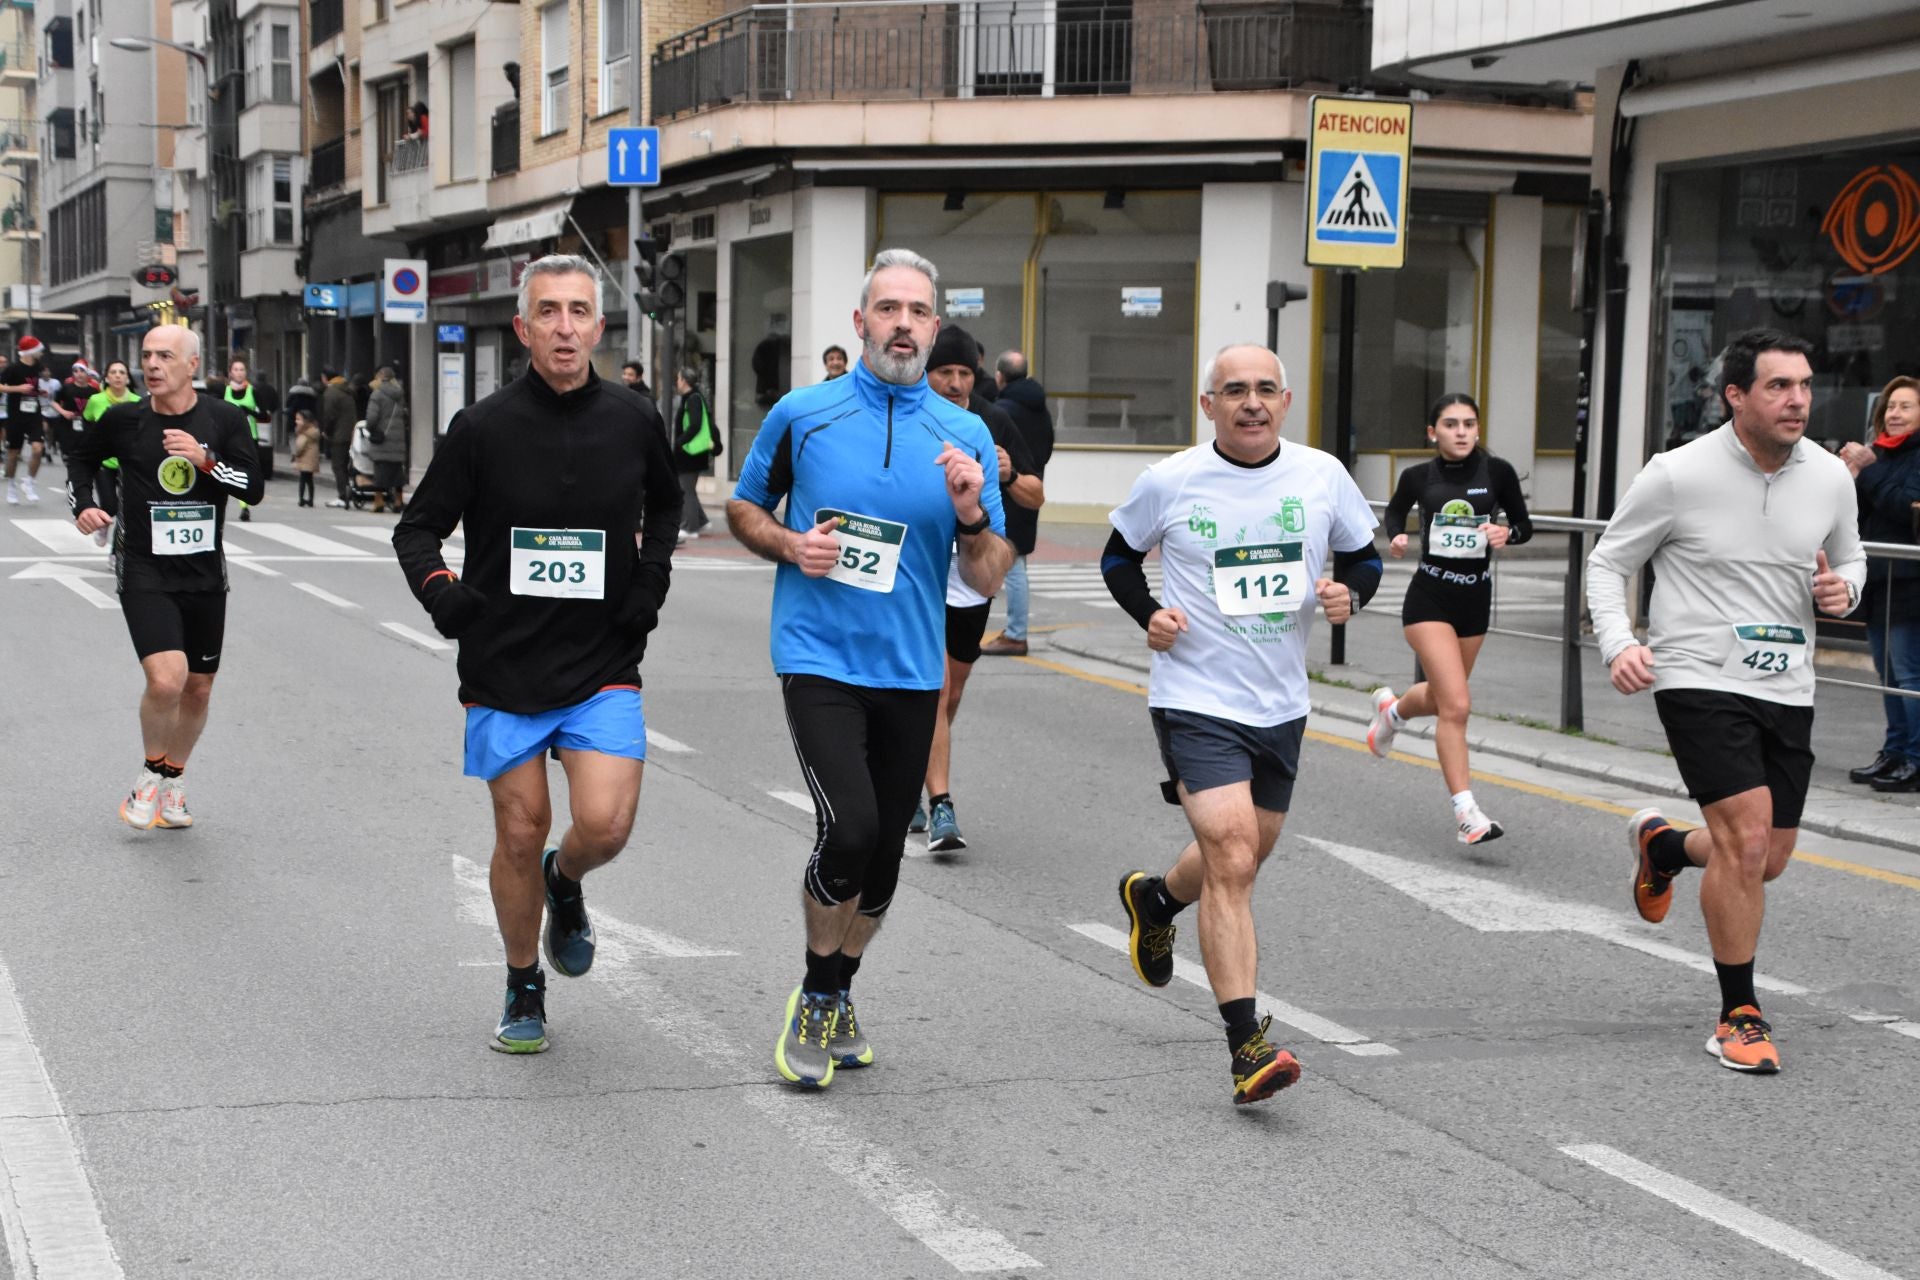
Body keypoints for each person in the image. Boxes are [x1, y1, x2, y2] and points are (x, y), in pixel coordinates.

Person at [727, 248, 1011, 1089]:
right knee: (847, 828)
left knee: (885, 856)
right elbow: (743, 508)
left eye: (917, 311)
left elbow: (990, 573)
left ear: (933, 326)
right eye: (886, 309)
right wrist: (789, 543)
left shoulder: (965, 433)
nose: (901, 324)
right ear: (860, 324)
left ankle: (840, 986)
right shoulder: (802, 414)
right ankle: (817, 993)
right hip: (818, 656)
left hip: (912, 669)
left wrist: (969, 515)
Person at [394, 253, 682, 1055]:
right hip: (504, 664)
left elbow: (668, 506)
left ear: (599, 325)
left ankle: (569, 880)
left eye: (579, 311)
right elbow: (416, 529)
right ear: (523, 328)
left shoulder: (632, 418)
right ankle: (524, 980)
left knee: (606, 824)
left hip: (602, 661)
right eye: (548, 312)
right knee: (520, 831)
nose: (565, 327)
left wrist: (649, 582)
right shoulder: (481, 429)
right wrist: (442, 592)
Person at [1108, 343, 1381, 1105]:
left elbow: (1364, 559)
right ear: (1209, 406)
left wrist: (1349, 596)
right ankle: (1245, 1046)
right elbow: (1116, 559)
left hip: (1280, 703)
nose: (1251, 402)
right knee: (1230, 855)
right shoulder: (1171, 480)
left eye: (1265, 389)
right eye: (1234, 390)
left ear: (1285, 401)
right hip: (1195, 696)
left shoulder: (1322, 475)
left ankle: (1157, 900)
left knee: (1242, 855)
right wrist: (1149, 615)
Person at [1589, 328, 1864, 1074]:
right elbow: (1609, 562)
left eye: (1805, 385)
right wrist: (1620, 642)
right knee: (1745, 841)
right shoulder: (1678, 474)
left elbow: (1850, 556)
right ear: (1735, 395)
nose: (1798, 399)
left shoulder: (1831, 477)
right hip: (1699, 676)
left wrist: (1846, 588)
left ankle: (1666, 847)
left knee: (1766, 857)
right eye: (1779, 386)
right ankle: (1738, 1014)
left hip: (1789, 684)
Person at [64, 325, 265, 830]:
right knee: (167, 678)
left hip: (203, 574)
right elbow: (81, 460)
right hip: (143, 567)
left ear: (192, 364)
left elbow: (253, 487)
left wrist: (206, 461)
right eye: (147, 356)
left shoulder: (224, 418)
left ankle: (174, 779)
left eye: (164, 356)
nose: (151, 365)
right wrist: (84, 505)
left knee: (198, 689)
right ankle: (150, 773)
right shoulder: (122, 419)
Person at [1366, 393, 1533, 843]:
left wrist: (1506, 532)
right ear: (1432, 432)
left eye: (1469, 424)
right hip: (1429, 601)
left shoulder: (1496, 472)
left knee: (1443, 699)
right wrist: (1397, 534)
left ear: (1478, 430)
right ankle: (1467, 814)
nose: (1461, 432)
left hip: (1474, 602)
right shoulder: (1419, 475)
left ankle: (1392, 712)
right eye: (1451, 424)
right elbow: (1396, 509)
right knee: (1457, 705)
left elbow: (1523, 524)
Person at [910, 324, 1042, 849]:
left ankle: (915, 767)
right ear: (928, 373)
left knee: (949, 695)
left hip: (973, 578)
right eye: (946, 372)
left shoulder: (993, 422)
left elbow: (1035, 494)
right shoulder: (910, 418)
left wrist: (1008, 476)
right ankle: (940, 804)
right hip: (920, 576)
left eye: (965, 373)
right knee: (936, 690)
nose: (957, 382)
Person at [1839, 376, 1920, 791]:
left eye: (1906, 406)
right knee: (1887, 673)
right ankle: (1894, 752)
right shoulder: (1881, 456)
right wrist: (1849, 476)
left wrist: (1867, 472)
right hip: (1879, 578)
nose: (1895, 413)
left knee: (1909, 674)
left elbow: (1906, 506)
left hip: (1910, 582)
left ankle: (1915, 759)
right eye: (1891, 406)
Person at [981, 350, 1055, 657]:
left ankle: (1016, 634)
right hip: (1030, 486)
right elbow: (1048, 446)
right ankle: (1015, 632)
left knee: (1012, 565)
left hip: (1008, 489)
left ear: (999, 376)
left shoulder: (1003, 410)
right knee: (1017, 561)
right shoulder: (1041, 409)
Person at [80, 359, 137, 543]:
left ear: (128, 379)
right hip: (105, 462)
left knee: (127, 510)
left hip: (128, 463)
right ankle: (103, 525)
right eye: (113, 372)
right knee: (110, 505)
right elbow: (87, 420)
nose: (118, 376)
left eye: (122, 372)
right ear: (107, 378)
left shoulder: (138, 402)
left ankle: (116, 553)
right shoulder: (96, 400)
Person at [223, 357, 277, 520]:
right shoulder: (224, 392)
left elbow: (264, 414)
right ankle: (234, 505)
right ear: (231, 373)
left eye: (242, 370)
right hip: (228, 437)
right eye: (236, 370)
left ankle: (245, 505)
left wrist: (249, 411)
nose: (239, 373)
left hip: (249, 436)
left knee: (245, 471)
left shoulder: (253, 391)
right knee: (227, 471)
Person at [671, 366, 717, 540]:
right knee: (688, 488)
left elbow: (695, 425)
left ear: (684, 381)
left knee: (685, 490)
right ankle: (701, 520)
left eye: (678, 379)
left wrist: (680, 442)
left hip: (690, 452)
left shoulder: (693, 399)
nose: (677, 382)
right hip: (692, 452)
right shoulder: (693, 398)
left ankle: (690, 527)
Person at [3, 334, 50, 503]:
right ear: (31, 351)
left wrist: (41, 392)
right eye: (39, 350)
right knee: (13, 453)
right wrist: (18, 388)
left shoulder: (38, 366)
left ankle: (29, 482)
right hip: (16, 415)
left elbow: (37, 384)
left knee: (38, 449)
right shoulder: (13, 369)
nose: (41, 353)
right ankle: (11, 486)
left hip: (34, 413)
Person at [364, 366, 409, 513]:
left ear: (379, 377)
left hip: (382, 438)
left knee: (380, 471)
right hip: (398, 438)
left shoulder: (377, 394)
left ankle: (379, 501)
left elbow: (371, 418)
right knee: (397, 471)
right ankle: (398, 501)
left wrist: (370, 430)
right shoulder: (399, 394)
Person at [320, 369, 357, 508]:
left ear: (325, 378)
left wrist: (327, 432)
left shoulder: (331, 392)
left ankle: (343, 495)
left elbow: (329, 415)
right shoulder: (346, 389)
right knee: (345, 465)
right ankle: (348, 492)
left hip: (339, 434)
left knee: (338, 466)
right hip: (350, 432)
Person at [290, 407, 323, 507]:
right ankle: (311, 499)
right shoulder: (314, 431)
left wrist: (295, 454)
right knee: (309, 480)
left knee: (303, 480)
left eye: (299, 419)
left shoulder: (304, 433)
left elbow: (300, 446)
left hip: (304, 460)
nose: (296, 421)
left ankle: (301, 499)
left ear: (306, 421)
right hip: (312, 460)